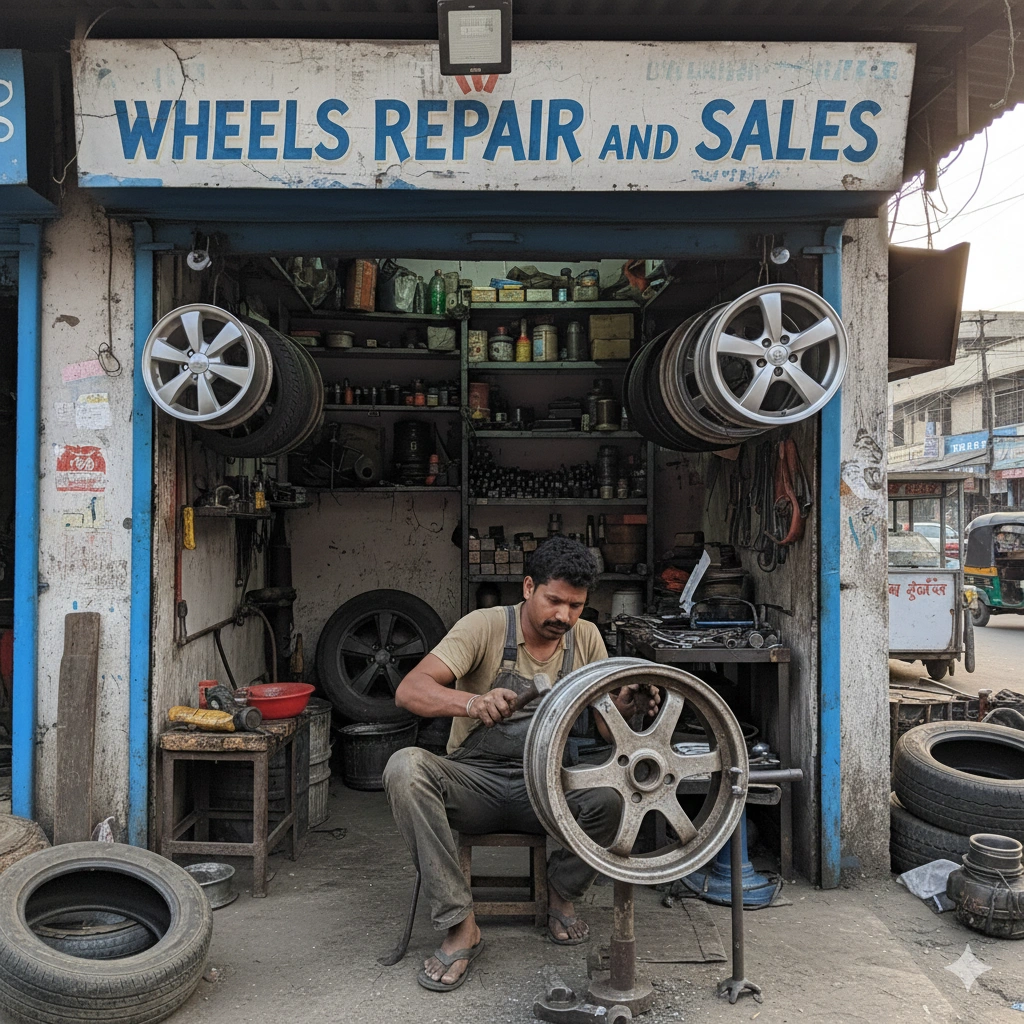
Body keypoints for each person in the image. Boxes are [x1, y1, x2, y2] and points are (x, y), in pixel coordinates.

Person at [383, 536, 659, 992]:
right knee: (405, 769)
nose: (564, 616)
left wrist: (627, 710)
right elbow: (409, 690)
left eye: (575, 606)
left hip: (547, 790)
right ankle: (460, 922)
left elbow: (607, 729)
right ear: (529, 587)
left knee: (616, 794)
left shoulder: (586, 638)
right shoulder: (485, 626)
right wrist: (472, 703)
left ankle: (561, 892)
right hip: (477, 782)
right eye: (554, 601)